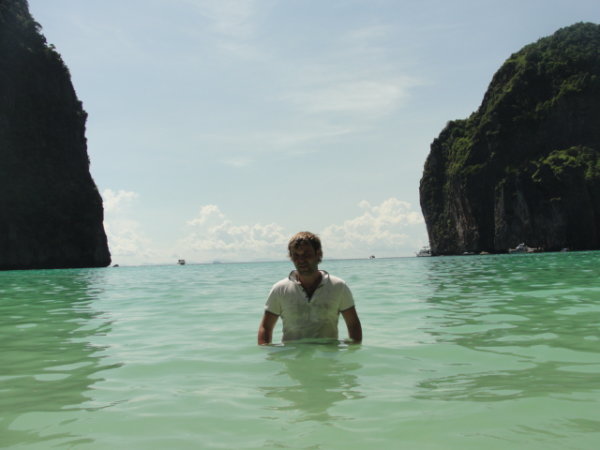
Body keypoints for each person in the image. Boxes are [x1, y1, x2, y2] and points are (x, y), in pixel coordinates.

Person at [257, 231, 362, 345]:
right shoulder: (280, 289)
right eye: (296, 255)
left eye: (306, 254)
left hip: (327, 353)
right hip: (292, 354)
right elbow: (266, 327)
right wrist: (267, 351)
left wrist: (352, 351)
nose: (301, 260)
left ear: (318, 254)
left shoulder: (339, 286)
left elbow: (353, 324)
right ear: (291, 257)